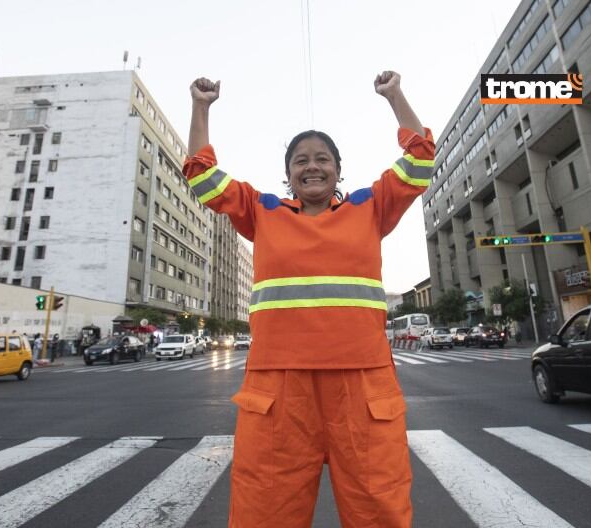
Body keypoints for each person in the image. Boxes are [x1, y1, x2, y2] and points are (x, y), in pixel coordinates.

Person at [185, 71, 432, 528]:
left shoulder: (370, 206)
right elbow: (201, 175)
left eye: (323, 159)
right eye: (301, 160)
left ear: (338, 170)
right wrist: (201, 107)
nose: (312, 166)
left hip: (362, 384)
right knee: (264, 514)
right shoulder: (261, 211)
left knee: (379, 510)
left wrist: (394, 95)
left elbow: (420, 160)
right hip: (279, 387)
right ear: (288, 174)